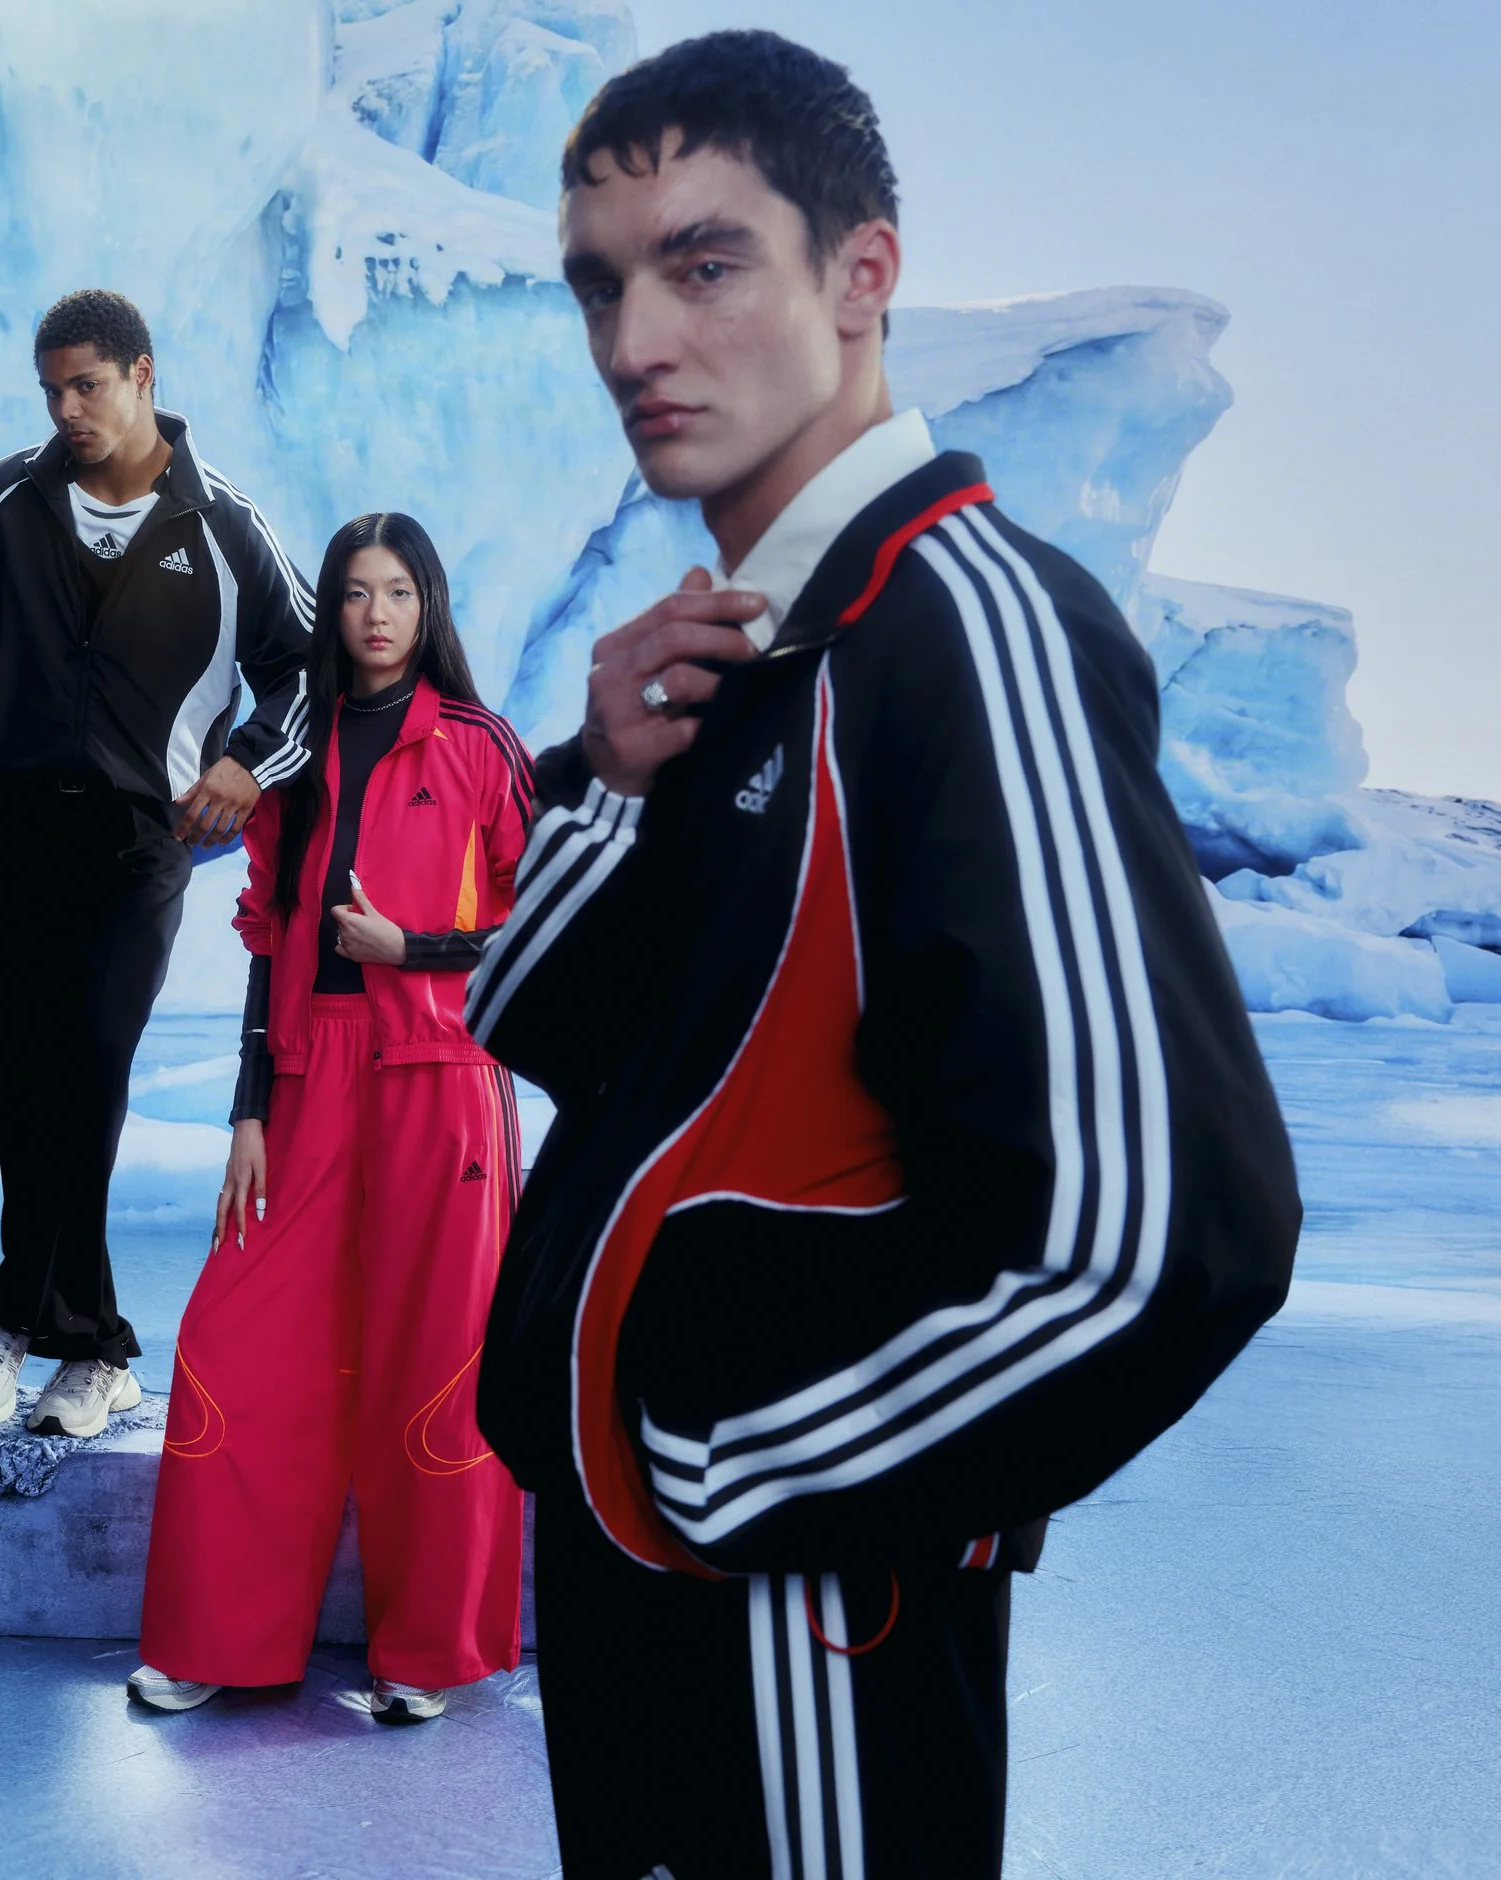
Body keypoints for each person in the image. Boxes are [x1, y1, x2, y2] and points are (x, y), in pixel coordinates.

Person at [465, 35, 1302, 1879]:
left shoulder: (969, 630)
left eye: (702, 264)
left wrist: (738, 1471)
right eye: (601, 285)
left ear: (863, 278)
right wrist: (603, 784)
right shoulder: (752, 652)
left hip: (803, 1617)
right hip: (635, 1584)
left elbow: (1156, 1240)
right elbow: (542, 1028)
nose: (631, 346)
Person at [124, 513, 537, 1725]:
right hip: (308, 1076)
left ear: (429, 606)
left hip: (441, 1075)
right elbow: (267, 940)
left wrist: (419, 949)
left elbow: (535, 917)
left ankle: (432, 1652)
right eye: (355, 592)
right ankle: (216, 1635)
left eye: (398, 591)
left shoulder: (477, 746)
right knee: (237, 1335)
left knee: (436, 1352)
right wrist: (250, 1107)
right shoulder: (296, 764)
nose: (373, 614)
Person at [0, 289, 316, 1440]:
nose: (66, 409)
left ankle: (13, 1324)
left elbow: (308, 667)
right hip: (5, 831)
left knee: (86, 1073)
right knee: (14, 1078)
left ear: (142, 375)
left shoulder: (222, 523)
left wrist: (243, 763)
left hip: (138, 843)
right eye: (51, 390)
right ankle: (90, 1352)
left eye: (86, 384)